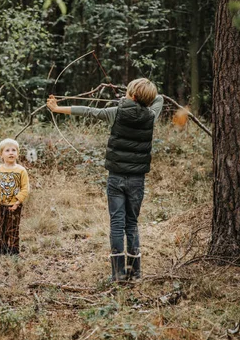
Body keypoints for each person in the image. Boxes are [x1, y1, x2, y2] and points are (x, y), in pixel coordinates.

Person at [47, 78, 164, 283]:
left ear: (133, 96)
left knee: (117, 224)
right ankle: (135, 273)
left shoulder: (115, 112)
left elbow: (88, 111)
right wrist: (133, 98)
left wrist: (57, 109)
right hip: (137, 181)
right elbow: (160, 98)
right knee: (132, 224)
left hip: (116, 178)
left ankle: (118, 273)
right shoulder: (151, 116)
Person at [0, 138, 30, 255]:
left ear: (17, 153)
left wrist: (17, 202)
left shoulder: (21, 170)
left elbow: (25, 188)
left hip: (15, 205)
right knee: (1, 227)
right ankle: (2, 249)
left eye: (14, 150)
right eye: (7, 150)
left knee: (13, 229)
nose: (11, 152)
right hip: (0, 205)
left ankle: (14, 251)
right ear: (1, 154)